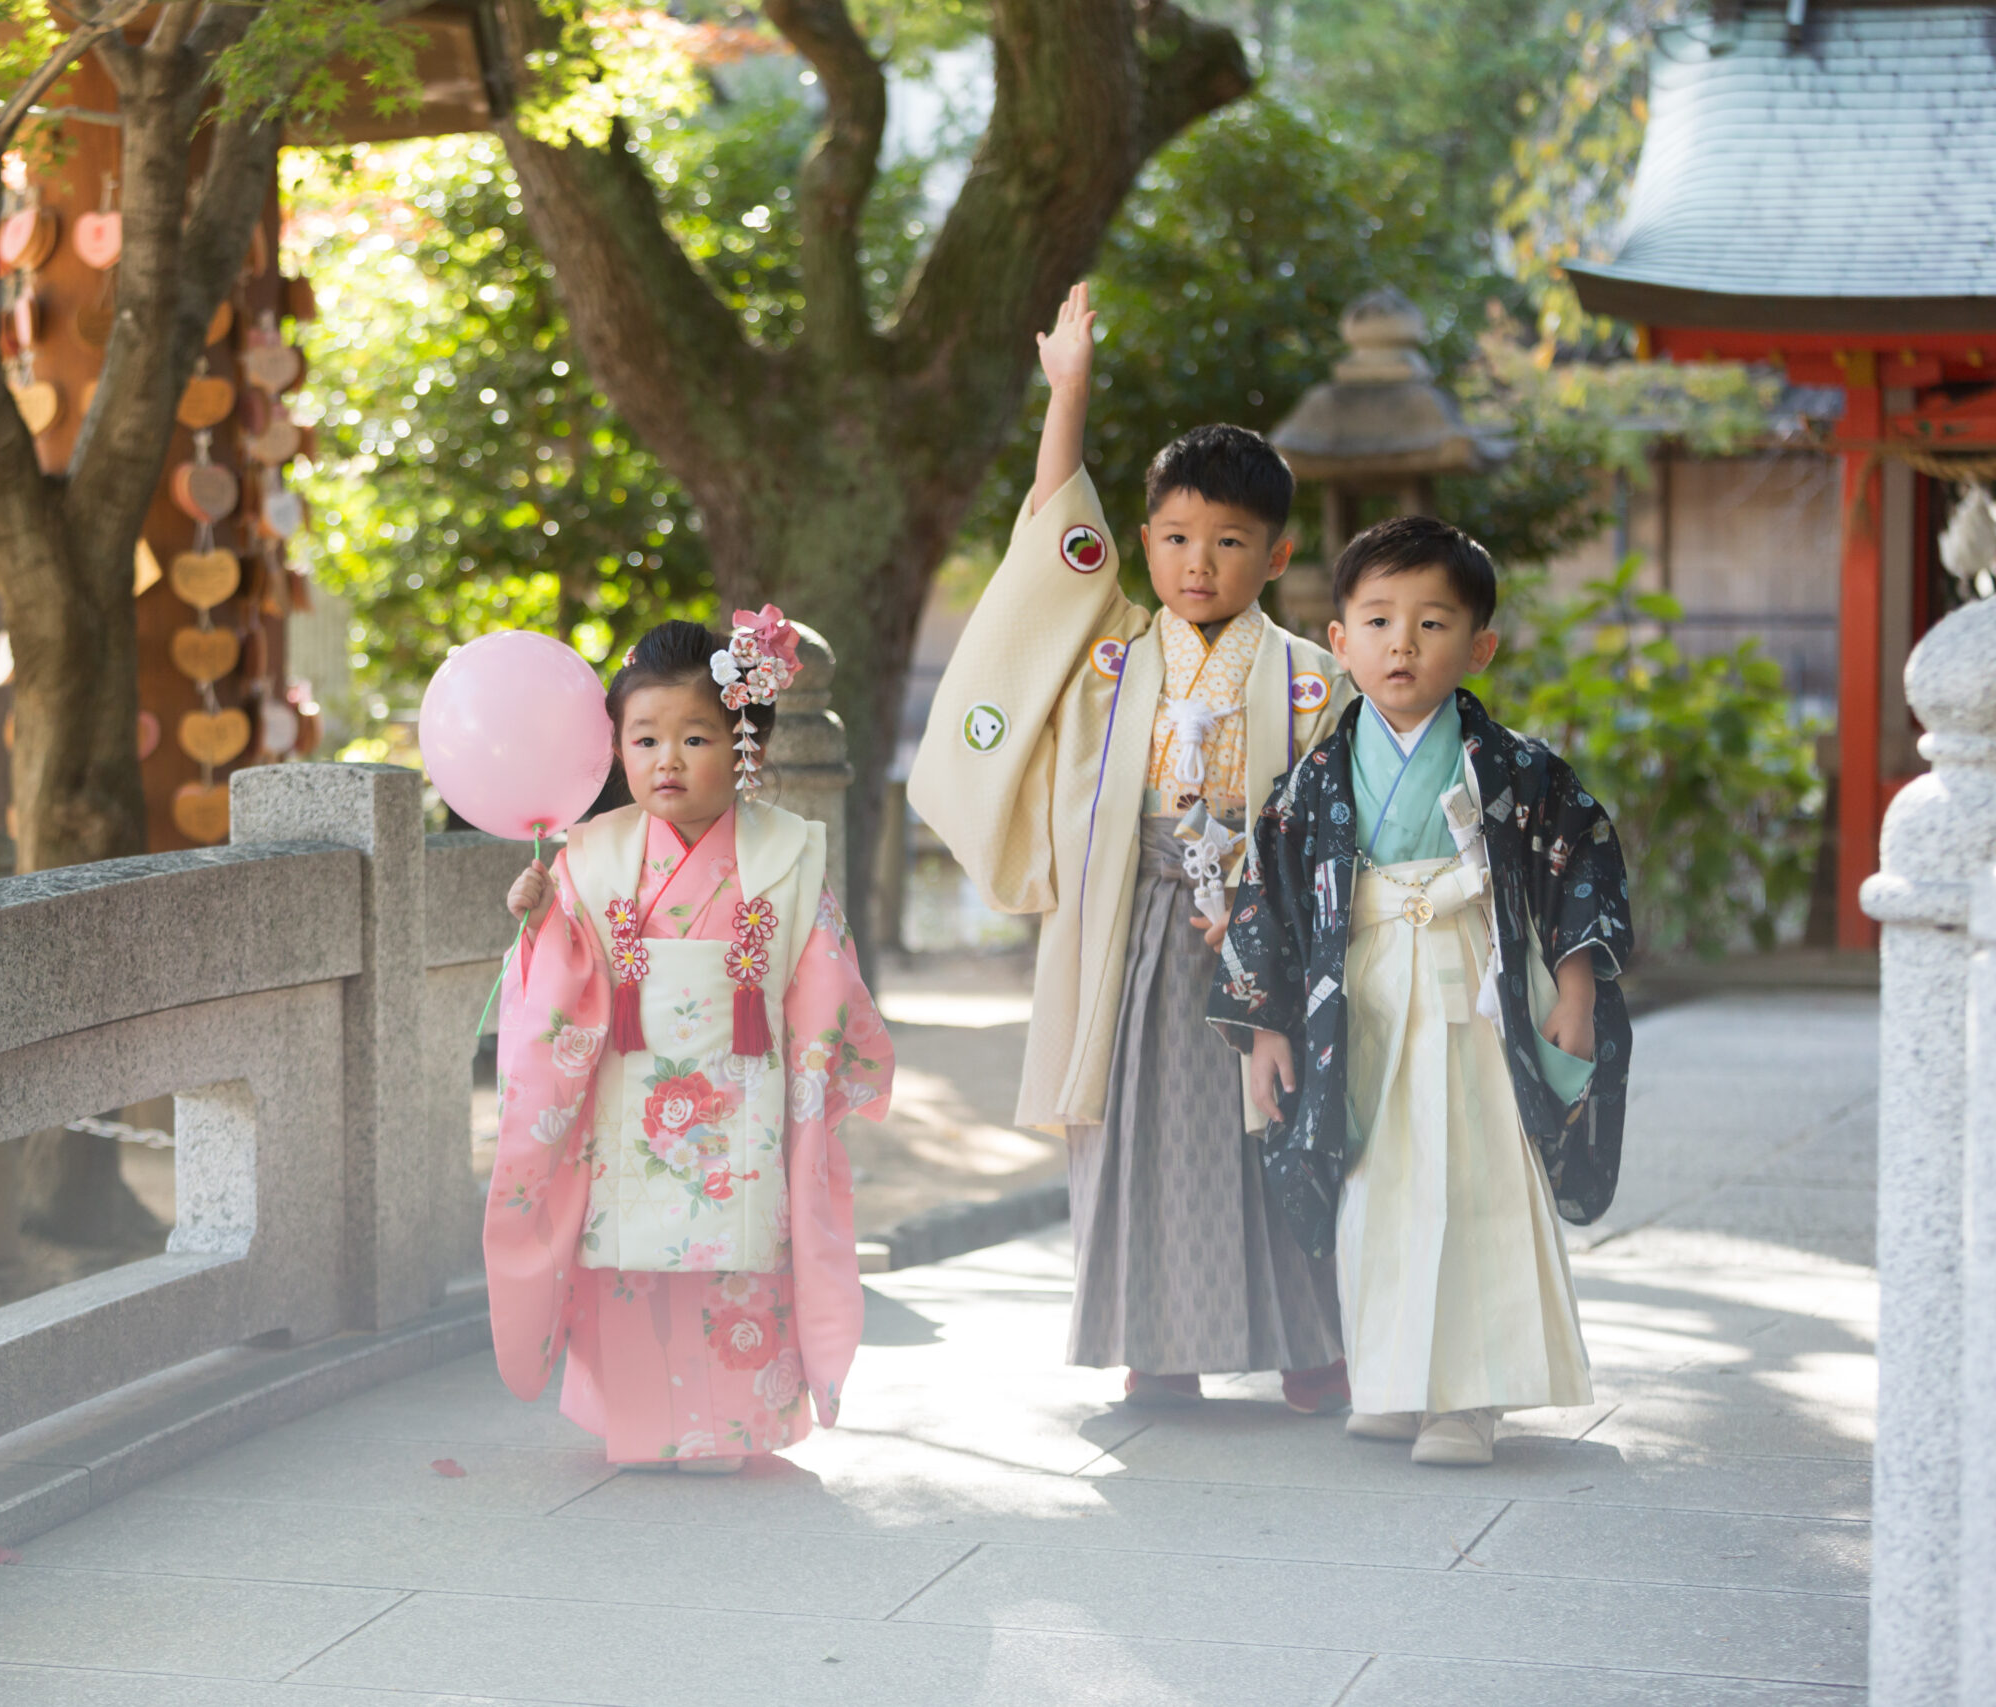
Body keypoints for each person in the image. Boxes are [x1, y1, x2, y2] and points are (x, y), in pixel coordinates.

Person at [910, 282, 1350, 1412]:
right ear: (1144, 542)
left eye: (1227, 541)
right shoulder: (1112, 653)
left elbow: (1338, 816)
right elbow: (1058, 542)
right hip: (1135, 921)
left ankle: (1313, 1343)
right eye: (1174, 538)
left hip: (1267, 929)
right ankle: (1156, 1347)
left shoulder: (1312, 676)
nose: (1196, 563)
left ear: (1276, 552)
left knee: (1282, 1121)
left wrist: (1270, 909)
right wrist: (1069, 392)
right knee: (1140, 1129)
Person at [1208, 515, 1635, 1468]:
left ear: (1481, 644)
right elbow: (1266, 905)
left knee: (1473, 1181)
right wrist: (1266, 1030)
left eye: (1433, 623)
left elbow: (1577, 868)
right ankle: (1398, 1382)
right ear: (1340, 641)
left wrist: (1574, 986)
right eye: (1378, 620)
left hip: (1470, 990)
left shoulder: (1520, 769)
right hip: (1354, 1001)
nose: (1402, 643)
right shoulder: (1313, 781)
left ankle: (1470, 1398)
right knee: (1381, 1185)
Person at [484, 609, 893, 1472]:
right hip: (626, 1098)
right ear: (616, 748)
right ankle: (640, 1424)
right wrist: (540, 921)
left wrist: (817, 1074)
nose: (667, 760)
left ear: (744, 741)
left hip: (745, 1100)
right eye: (644, 739)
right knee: (632, 1267)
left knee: (737, 1264)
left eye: (696, 736)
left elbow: (823, 973)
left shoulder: (785, 852)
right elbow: (562, 983)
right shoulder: (589, 855)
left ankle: (728, 1429)